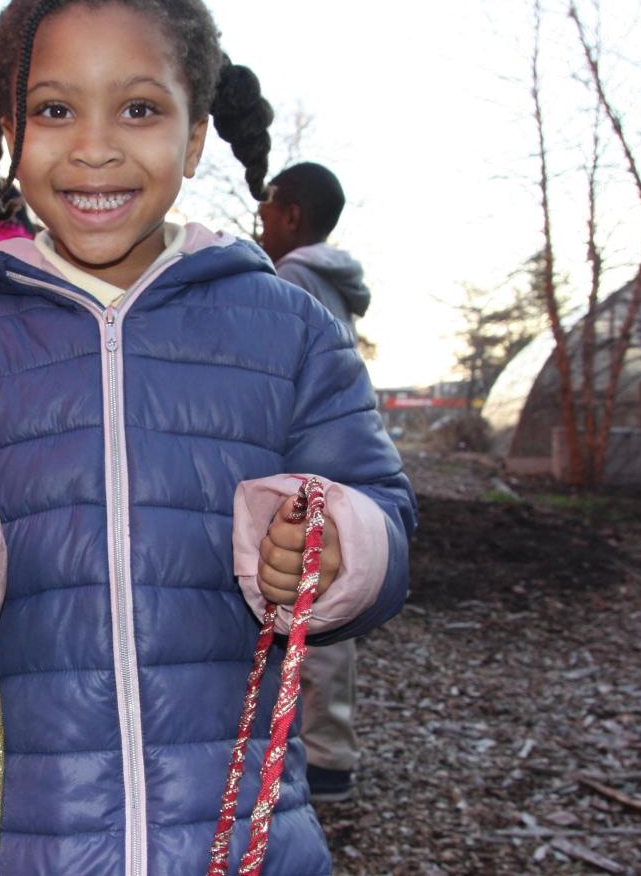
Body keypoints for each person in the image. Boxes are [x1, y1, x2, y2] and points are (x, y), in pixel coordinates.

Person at [0, 0, 414, 873]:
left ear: (194, 133)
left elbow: (384, 518)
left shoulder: (290, 333)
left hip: (242, 846)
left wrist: (332, 547)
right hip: (16, 845)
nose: (94, 148)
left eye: (137, 107)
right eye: (55, 109)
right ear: (13, 136)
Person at [256, 161, 370, 804]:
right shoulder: (333, 281)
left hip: (308, 459)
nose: (263, 219)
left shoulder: (292, 279)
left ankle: (323, 758)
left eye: (270, 206)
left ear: (294, 214)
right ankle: (331, 749)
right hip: (338, 451)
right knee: (329, 600)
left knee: (309, 599)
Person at [256, 162, 371, 337]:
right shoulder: (338, 288)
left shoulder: (289, 278)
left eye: (264, 219)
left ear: (292, 218)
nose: (261, 237)